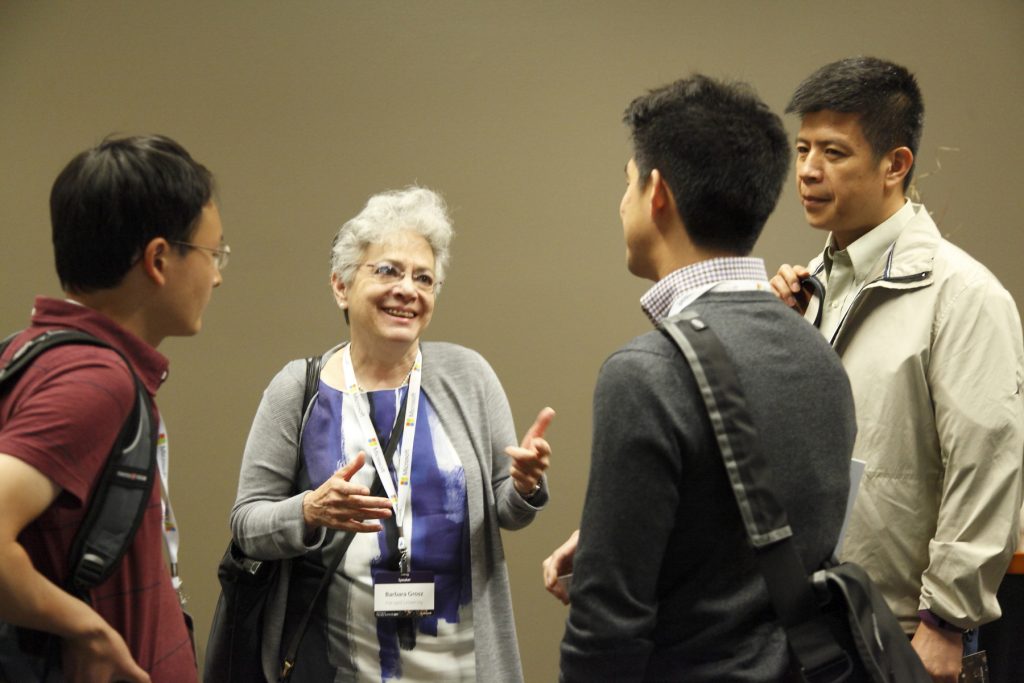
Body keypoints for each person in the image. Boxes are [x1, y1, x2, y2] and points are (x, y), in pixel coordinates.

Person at [554, 75, 856, 682]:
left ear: (656, 192)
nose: (623, 204)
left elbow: (607, 628)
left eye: (627, 183)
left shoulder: (645, 373)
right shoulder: (819, 351)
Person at [230, 186, 553, 682]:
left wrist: (524, 486)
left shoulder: (469, 376)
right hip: (338, 668)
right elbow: (247, 524)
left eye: (424, 278)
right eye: (387, 270)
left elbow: (504, 512)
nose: (408, 289)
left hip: (465, 668)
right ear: (340, 286)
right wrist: (309, 511)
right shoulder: (299, 389)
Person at [770, 56, 1024, 682]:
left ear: (895, 164)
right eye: (802, 149)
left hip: (903, 632)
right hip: (809, 625)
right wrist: (775, 335)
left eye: (832, 152)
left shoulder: (963, 296)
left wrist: (946, 622)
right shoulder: (807, 290)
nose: (807, 170)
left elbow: (987, 463)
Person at [0, 135, 225, 683]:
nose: (217, 275)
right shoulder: (95, 380)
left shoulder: (29, 352)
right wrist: (87, 629)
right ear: (157, 259)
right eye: (212, 254)